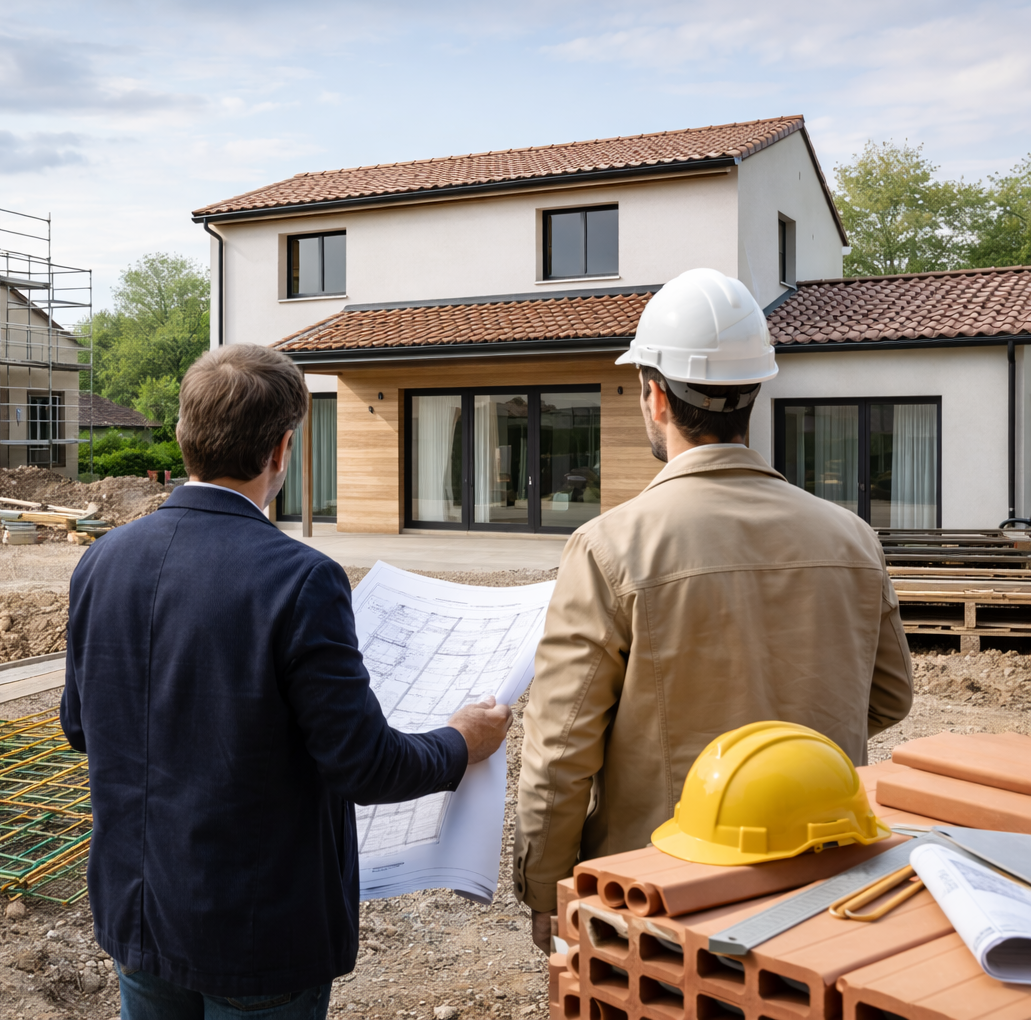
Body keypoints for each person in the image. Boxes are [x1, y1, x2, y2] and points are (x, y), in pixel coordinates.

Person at [61, 343, 513, 1019]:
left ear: (186, 436)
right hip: (257, 931)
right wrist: (460, 740)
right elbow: (364, 766)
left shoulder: (102, 561)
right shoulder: (301, 579)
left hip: (139, 913)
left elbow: (80, 724)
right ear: (283, 448)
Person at [513, 268, 914, 949]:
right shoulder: (851, 536)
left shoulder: (612, 545)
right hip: (820, 886)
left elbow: (561, 751)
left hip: (662, 888)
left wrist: (548, 882)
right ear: (754, 391)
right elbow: (887, 698)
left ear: (656, 397)